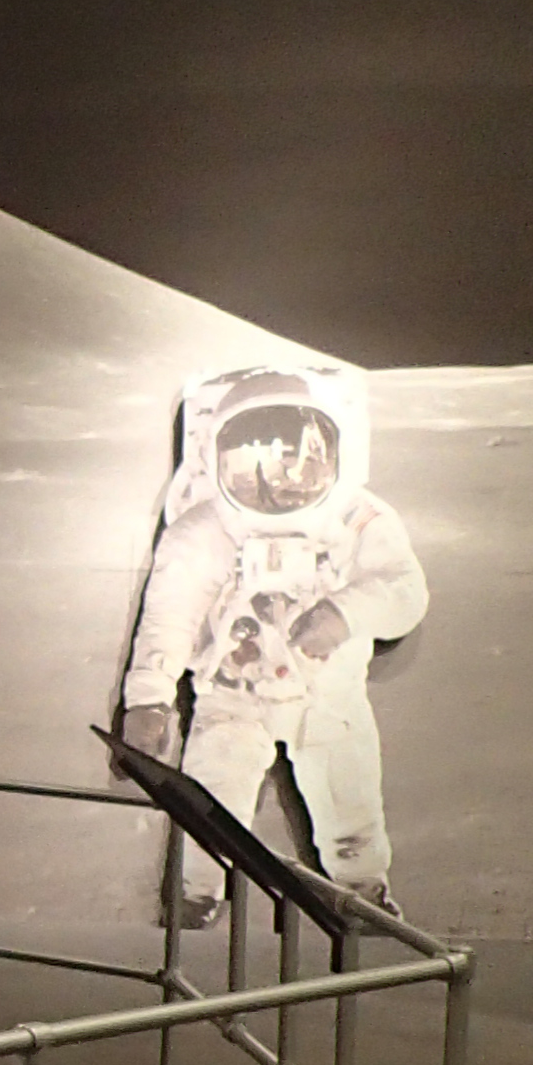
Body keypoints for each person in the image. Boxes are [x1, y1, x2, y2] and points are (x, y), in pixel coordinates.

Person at [119, 366, 430, 917]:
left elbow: (404, 590)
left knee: (348, 799)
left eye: (298, 456)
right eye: (251, 461)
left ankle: (363, 894)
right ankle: (195, 896)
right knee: (213, 802)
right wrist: (148, 699)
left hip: (328, 696)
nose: (277, 478)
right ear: (217, 456)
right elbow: (168, 617)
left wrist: (342, 613)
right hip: (233, 695)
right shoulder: (203, 530)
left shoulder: (357, 519)